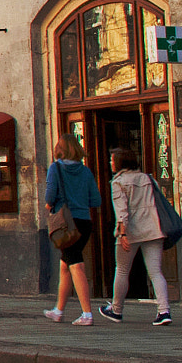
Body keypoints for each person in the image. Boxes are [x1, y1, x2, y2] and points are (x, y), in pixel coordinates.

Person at [100, 147, 173, 326]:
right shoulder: (148, 178)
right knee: (156, 272)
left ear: (120, 161)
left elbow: (121, 210)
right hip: (153, 229)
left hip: (131, 231)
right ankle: (164, 311)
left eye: (112, 159)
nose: (110, 162)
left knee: (123, 270)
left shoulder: (118, 182)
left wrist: (122, 233)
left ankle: (116, 310)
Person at [40, 137, 101, 324]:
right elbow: (96, 200)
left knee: (76, 265)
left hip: (66, 224)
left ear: (60, 150)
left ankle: (87, 314)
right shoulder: (86, 171)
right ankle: (58, 310)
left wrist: (50, 205)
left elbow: (50, 195)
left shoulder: (55, 168)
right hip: (84, 222)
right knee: (65, 265)